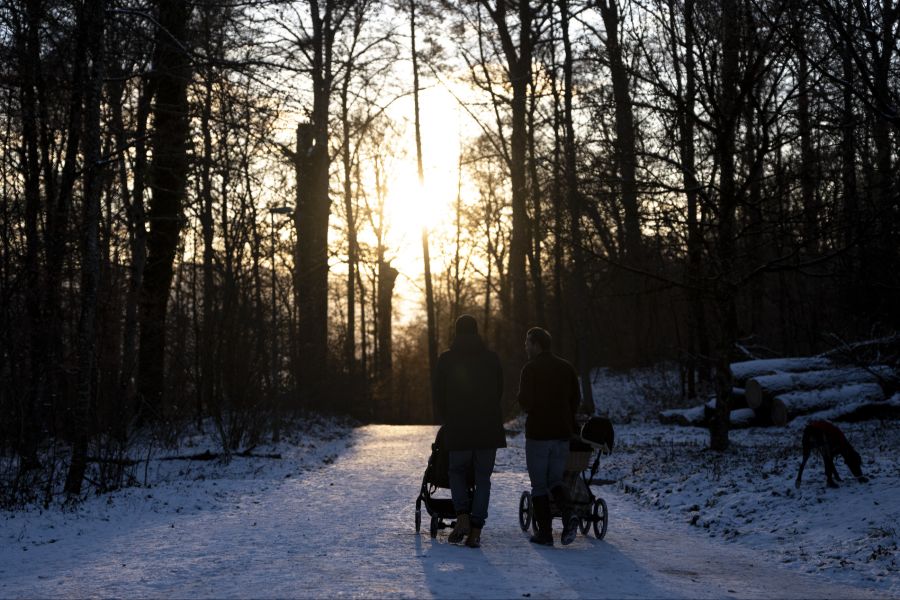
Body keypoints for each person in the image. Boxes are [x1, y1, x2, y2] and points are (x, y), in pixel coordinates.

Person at [433, 314, 506, 548]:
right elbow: (499, 391)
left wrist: (448, 417)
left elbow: (439, 394)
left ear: (457, 332)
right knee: (483, 478)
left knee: (457, 471)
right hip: (487, 429)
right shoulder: (492, 359)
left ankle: (462, 516)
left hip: (459, 427)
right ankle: (475, 531)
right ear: (477, 332)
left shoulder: (446, 359)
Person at [517, 326, 581, 546]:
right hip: (562, 434)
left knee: (539, 485)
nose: (525, 347)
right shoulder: (567, 368)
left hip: (539, 434)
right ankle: (569, 514)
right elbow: (576, 400)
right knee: (556, 480)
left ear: (536, 344)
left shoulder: (531, 369)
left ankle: (545, 533)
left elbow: (526, 402)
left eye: (527, 343)